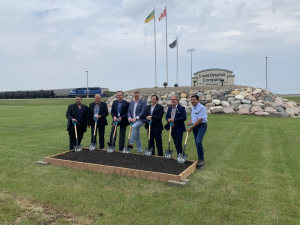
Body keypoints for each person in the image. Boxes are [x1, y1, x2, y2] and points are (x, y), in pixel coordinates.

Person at [187, 95, 208, 168]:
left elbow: (199, 120)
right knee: (197, 143)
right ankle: (199, 158)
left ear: (198, 100)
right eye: (191, 100)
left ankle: (201, 160)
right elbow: (194, 119)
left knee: (198, 142)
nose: (192, 101)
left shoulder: (202, 108)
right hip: (195, 126)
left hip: (201, 126)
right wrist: (190, 122)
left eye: (194, 100)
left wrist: (191, 128)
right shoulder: (193, 107)